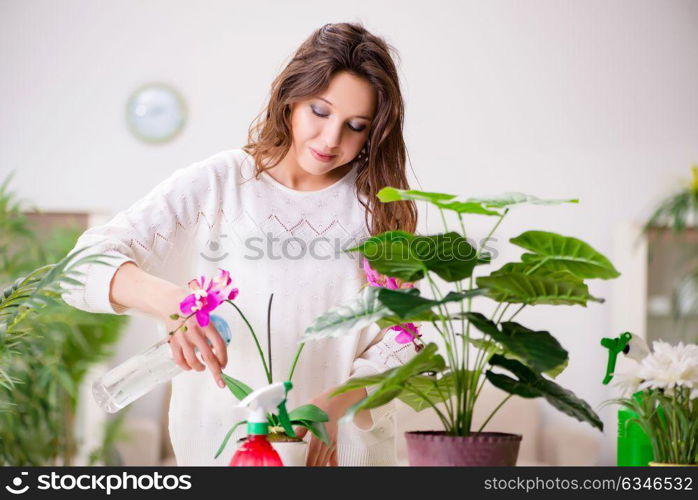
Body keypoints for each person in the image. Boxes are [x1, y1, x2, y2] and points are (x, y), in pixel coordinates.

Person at [61, 22, 418, 466]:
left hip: (343, 456)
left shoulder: (379, 211)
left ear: (374, 133)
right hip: (222, 453)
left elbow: (409, 336)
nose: (331, 140)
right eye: (320, 112)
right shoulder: (220, 184)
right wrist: (174, 303)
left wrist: (341, 399)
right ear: (291, 98)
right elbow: (81, 267)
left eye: (356, 125)